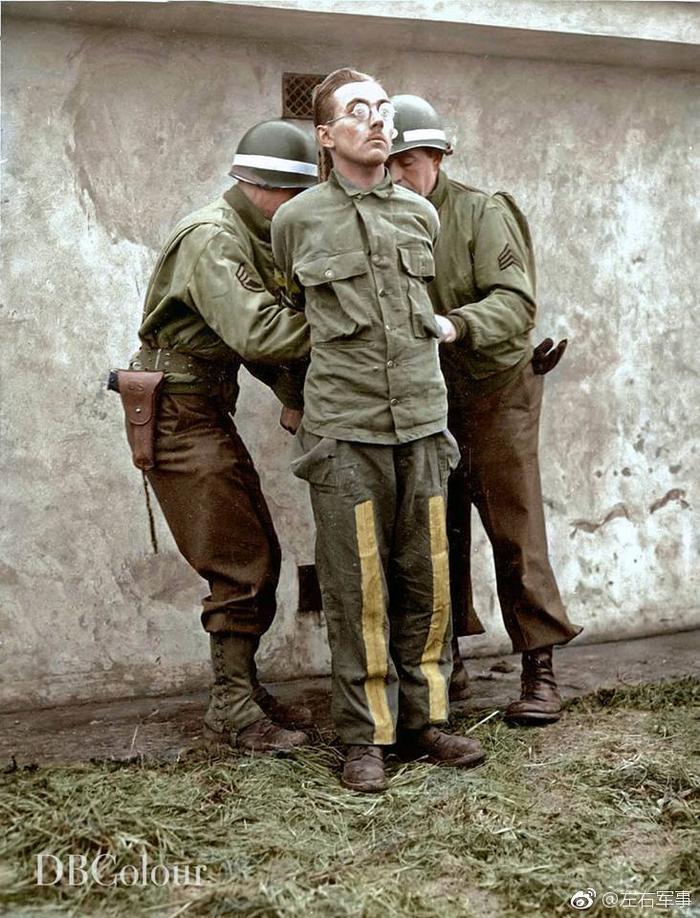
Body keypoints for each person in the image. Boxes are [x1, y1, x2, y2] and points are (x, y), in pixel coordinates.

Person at [271, 68, 485, 793]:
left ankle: (427, 721)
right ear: (326, 136)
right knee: (356, 588)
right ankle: (366, 736)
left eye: (383, 109)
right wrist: (295, 401)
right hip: (346, 432)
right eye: (357, 110)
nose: (376, 120)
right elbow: (285, 323)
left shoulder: (420, 215)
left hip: (422, 426)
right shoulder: (297, 221)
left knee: (428, 579)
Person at [388, 94, 582, 725]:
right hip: (429, 395)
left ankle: (540, 671)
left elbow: (515, 303)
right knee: (431, 532)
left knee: (513, 523)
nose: (398, 175)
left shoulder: (481, 213)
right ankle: (445, 665)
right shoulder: (381, 221)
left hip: (497, 390)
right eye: (389, 164)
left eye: (409, 161)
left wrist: (455, 324)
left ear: (438, 157)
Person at [128, 119, 319, 754]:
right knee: (240, 561)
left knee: (255, 551)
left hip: (203, 409)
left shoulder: (250, 235)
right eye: (297, 196)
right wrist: (352, 322)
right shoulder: (213, 238)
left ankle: (242, 689)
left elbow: (250, 342)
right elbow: (259, 332)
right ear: (267, 187)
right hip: (179, 415)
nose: (300, 211)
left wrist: (293, 396)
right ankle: (230, 708)